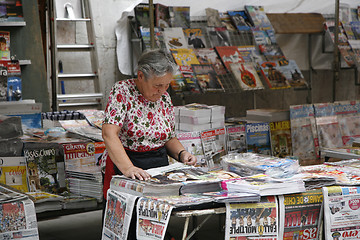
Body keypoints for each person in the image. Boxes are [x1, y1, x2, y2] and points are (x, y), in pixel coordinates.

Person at [101, 48, 197, 195]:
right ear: (141, 76)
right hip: (127, 162)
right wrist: (128, 168)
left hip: (158, 166)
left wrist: (182, 153)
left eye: (166, 85)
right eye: (157, 85)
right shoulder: (122, 91)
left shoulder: (164, 98)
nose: (162, 91)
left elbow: (168, 136)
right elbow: (109, 134)